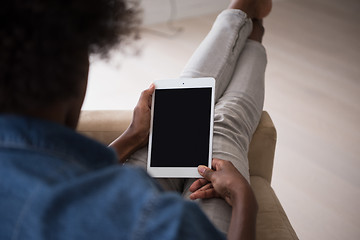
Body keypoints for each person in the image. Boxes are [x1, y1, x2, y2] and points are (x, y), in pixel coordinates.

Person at [0, 0, 271, 240]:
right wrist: (243, 197)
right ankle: (247, 21)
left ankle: (248, 23)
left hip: (121, 190)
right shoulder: (149, 220)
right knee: (223, 125)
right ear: (78, 73)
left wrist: (133, 135)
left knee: (183, 105)